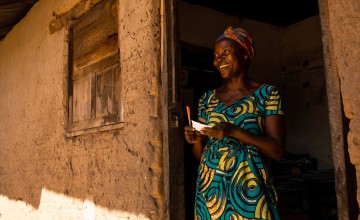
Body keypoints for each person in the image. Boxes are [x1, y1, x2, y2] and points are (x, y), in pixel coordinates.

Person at [184, 26, 285, 219]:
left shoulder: (267, 94)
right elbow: (201, 155)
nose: (218, 59)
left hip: (250, 191)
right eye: (215, 55)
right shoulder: (207, 99)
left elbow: (277, 150)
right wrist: (196, 139)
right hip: (211, 192)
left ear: (246, 54)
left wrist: (234, 132)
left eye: (226, 52)